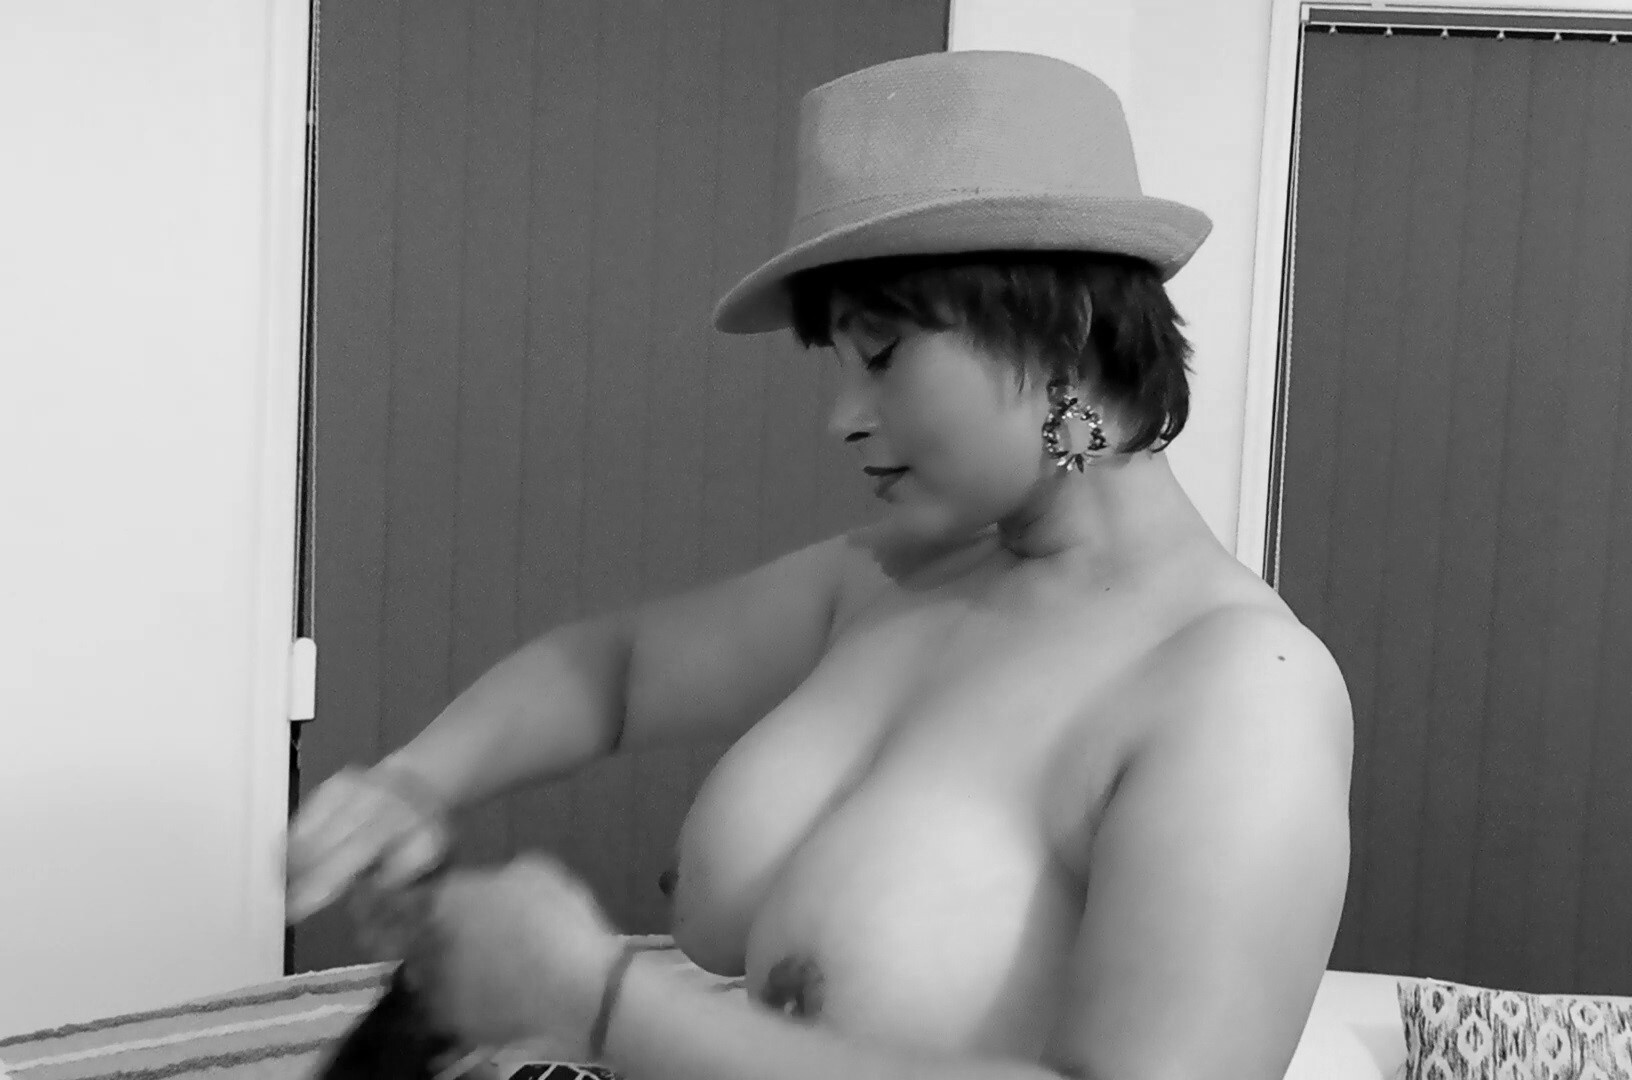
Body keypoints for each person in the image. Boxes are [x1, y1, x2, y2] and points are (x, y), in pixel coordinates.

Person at [284, 49, 1353, 1080]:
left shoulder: (1243, 690)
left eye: (882, 355)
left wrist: (600, 1001)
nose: (843, 417)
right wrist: (415, 782)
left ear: (1065, 335)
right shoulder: (893, 577)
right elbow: (617, 672)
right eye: (837, 364)